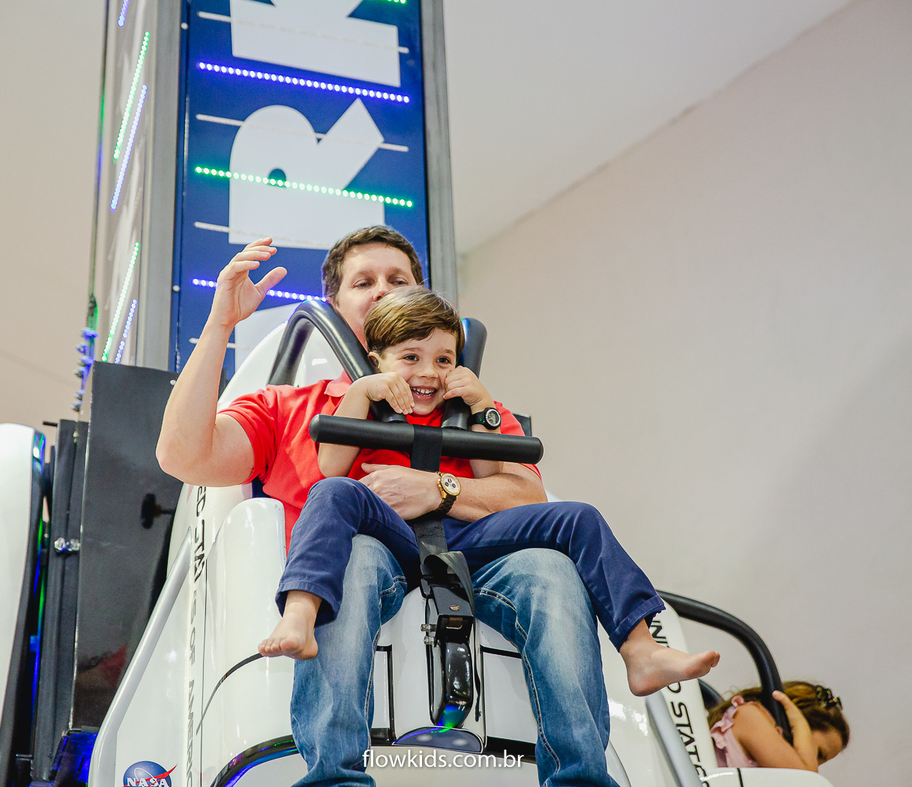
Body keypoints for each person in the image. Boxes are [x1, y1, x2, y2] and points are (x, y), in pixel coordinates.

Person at [156, 227, 628, 786]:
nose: (382, 289)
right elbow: (184, 456)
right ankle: (335, 774)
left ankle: (581, 777)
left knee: (552, 569)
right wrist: (220, 324)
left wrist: (439, 489)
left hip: (479, 568)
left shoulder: (470, 405)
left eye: (397, 280)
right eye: (364, 282)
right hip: (361, 572)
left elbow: (528, 496)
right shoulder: (290, 407)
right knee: (354, 556)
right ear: (336, 304)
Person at [260, 286, 720, 699]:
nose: (429, 373)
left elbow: (490, 472)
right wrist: (363, 390)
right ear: (377, 360)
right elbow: (329, 465)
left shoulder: (469, 408)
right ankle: (300, 611)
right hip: (391, 535)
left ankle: (640, 648)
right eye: (411, 358)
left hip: (463, 535)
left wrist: (480, 406)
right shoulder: (358, 398)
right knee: (333, 492)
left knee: (579, 516)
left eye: (443, 360)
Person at [708, 681, 850, 771]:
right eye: (818, 754)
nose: (814, 766)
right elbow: (805, 782)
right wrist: (800, 724)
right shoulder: (749, 716)